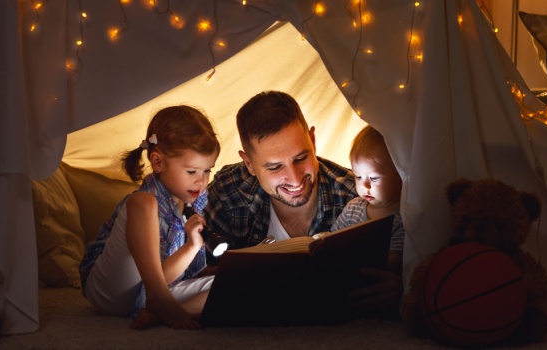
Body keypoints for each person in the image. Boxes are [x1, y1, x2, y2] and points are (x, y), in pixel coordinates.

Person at [204, 90, 402, 318]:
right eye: (275, 167)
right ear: (249, 163)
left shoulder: (357, 196)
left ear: (313, 141)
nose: (295, 178)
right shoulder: (229, 192)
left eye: (300, 158)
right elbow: (192, 274)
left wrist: (401, 289)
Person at [79, 105, 220, 330]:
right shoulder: (148, 199)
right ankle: (160, 302)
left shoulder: (195, 204)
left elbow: (167, 277)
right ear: (158, 163)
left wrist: (195, 248)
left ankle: (156, 314)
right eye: (192, 171)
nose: (201, 181)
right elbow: (154, 280)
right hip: (112, 290)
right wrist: (190, 247)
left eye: (207, 171)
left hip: (156, 292)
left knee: (235, 286)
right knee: (142, 203)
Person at [331, 125, 405, 275]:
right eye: (358, 176)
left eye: (374, 178)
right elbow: (331, 241)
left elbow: (392, 263)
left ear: (400, 174)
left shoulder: (403, 217)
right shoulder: (353, 209)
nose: (365, 185)